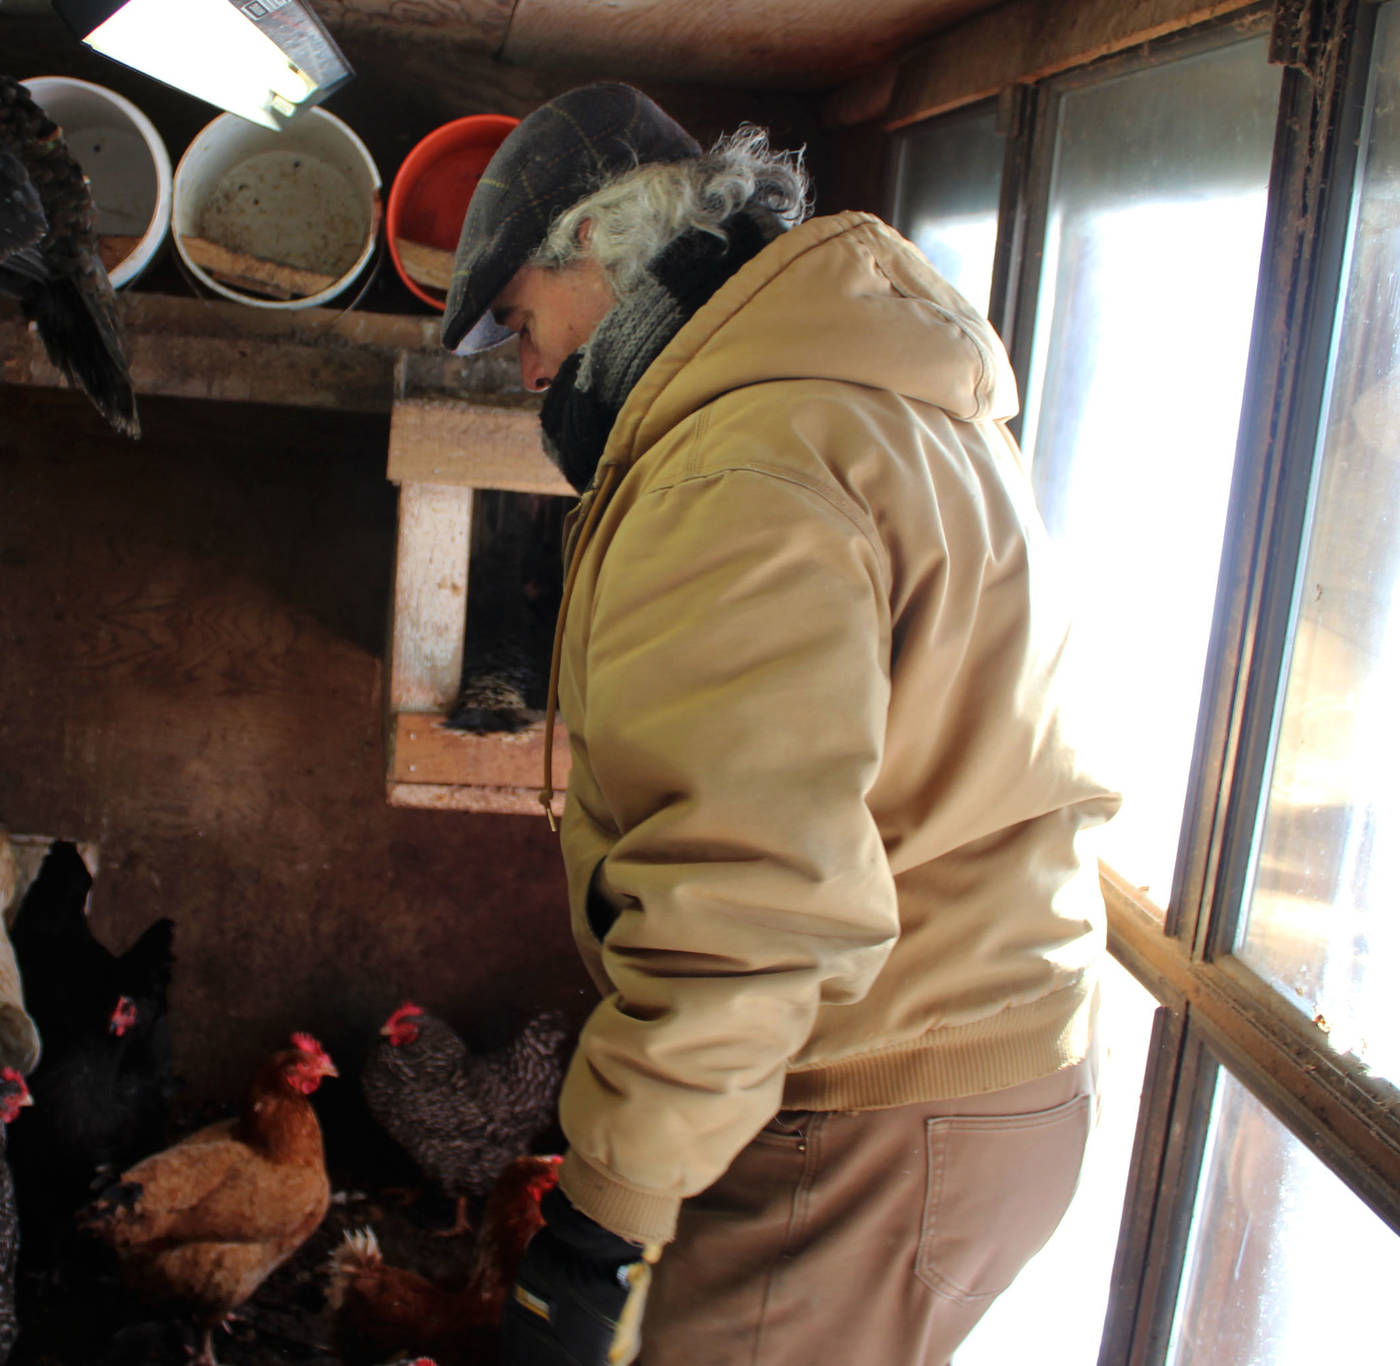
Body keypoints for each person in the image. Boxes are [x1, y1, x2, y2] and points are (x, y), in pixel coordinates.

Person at [439, 85, 1122, 1366]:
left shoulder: (732, 472)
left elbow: (749, 892)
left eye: (520, 323)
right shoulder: (857, 395)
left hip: (882, 1091)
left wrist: (601, 1223)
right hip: (959, 1058)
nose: (528, 372)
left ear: (591, 242)